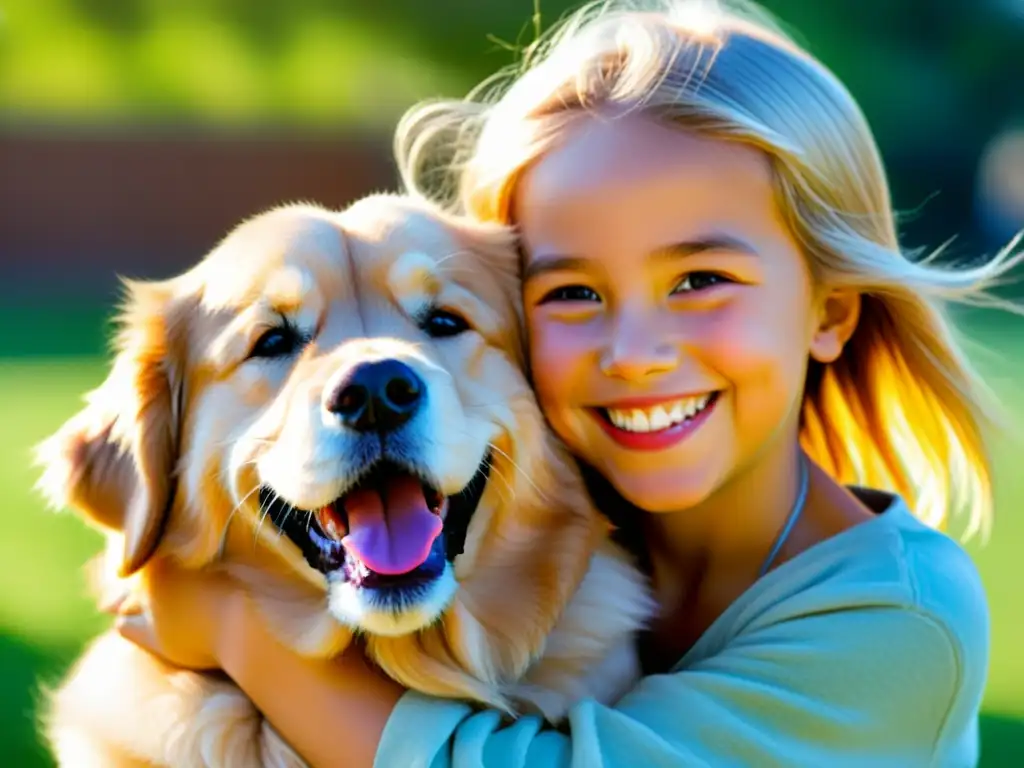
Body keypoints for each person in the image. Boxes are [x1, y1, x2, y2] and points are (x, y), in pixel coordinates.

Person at [113, 1, 1022, 765]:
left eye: (700, 281)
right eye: (573, 292)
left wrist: (240, 633)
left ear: (831, 310)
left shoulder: (903, 619)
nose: (633, 352)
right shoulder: (528, 511)